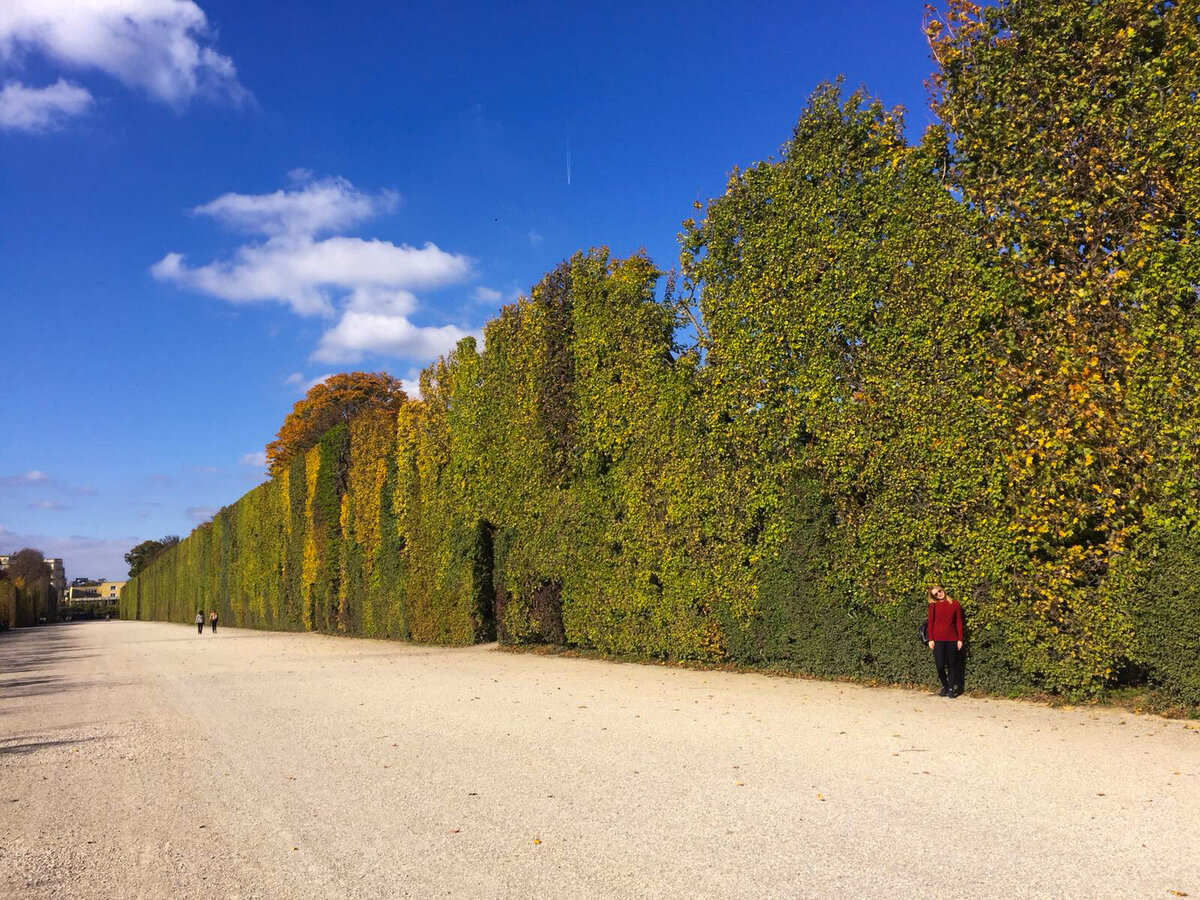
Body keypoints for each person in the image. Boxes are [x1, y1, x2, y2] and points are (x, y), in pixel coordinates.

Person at [926, 585, 964, 698]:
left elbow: (958, 622)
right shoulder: (933, 606)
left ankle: (951, 688)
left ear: (942, 589)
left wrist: (960, 639)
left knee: (951, 664)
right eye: (935, 594)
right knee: (940, 664)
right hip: (938, 639)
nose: (939, 594)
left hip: (952, 638)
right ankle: (945, 685)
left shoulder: (954, 604)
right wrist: (931, 639)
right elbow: (930, 623)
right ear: (933, 596)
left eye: (939, 591)